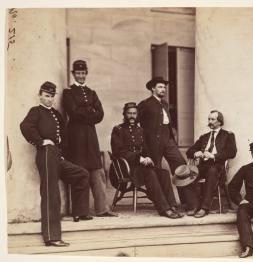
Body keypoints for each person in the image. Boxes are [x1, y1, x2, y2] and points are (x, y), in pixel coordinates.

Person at [20, 81, 92, 247]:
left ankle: (79, 212)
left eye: (52, 96)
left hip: (57, 156)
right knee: (51, 194)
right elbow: (25, 127)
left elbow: (64, 135)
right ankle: (52, 237)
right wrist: (40, 141)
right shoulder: (35, 111)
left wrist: (61, 148)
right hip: (45, 155)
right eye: (46, 96)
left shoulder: (56, 114)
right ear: (40, 96)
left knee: (82, 174)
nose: (49, 99)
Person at [111, 102, 183, 219]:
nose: (132, 116)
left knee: (163, 173)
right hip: (127, 168)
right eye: (129, 113)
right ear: (124, 114)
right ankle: (165, 209)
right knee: (150, 173)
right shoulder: (118, 130)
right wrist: (138, 158)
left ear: (137, 114)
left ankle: (172, 206)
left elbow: (145, 150)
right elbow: (118, 152)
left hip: (141, 167)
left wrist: (148, 157)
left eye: (134, 113)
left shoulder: (140, 130)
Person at [63, 60, 115, 218]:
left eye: (83, 73)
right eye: (77, 73)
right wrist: (90, 112)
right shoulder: (68, 93)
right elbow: (73, 112)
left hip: (91, 137)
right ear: (73, 74)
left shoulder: (92, 93)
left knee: (97, 172)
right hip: (76, 137)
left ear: (86, 74)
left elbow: (100, 114)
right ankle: (81, 212)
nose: (80, 76)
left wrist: (85, 113)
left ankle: (102, 209)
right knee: (81, 172)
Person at [138, 76, 197, 211]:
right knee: (157, 170)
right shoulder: (145, 104)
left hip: (168, 140)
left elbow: (167, 124)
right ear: (153, 88)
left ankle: (188, 203)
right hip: (153, 143)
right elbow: (136, 123)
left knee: (181, 167)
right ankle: (166, 205)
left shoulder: (164, 104)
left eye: (164, 87)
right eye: (160, 87)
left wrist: (172, 139)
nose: (163, 89)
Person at [185, 110, 237, 218]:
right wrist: (195, 153)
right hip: (203, 165)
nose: (210, 121)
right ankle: (194, 205)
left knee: (212, 171)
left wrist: (213, 156)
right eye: (209, 119)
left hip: (218, 166)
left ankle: (204, 208)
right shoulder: (204, 136)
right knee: (188, 174)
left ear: (219, 121)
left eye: (212, 119)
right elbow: (189, 151)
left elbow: (232, 152)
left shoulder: (228, 135)